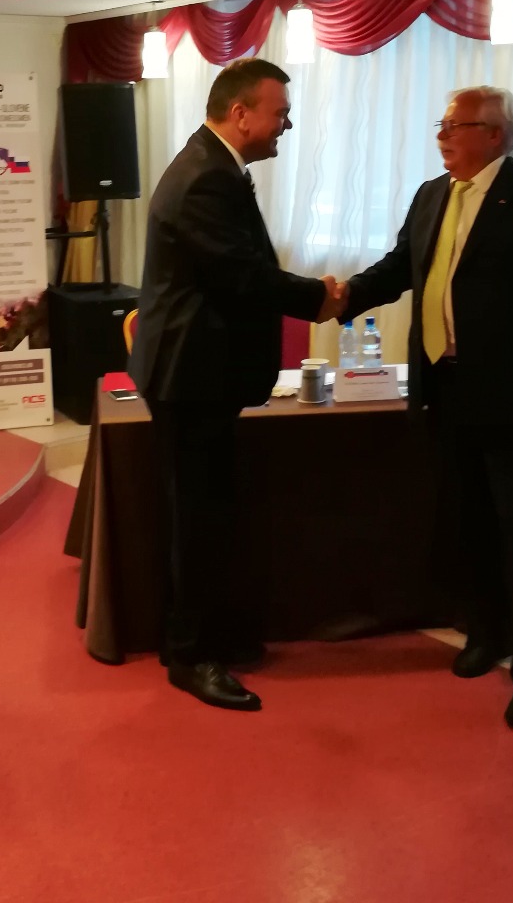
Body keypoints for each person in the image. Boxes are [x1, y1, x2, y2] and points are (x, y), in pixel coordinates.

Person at [339, 86, 513, 730]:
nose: (442, 136)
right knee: (471, 523)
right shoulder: (433, 195)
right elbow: (399, 268)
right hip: (446, 388)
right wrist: (337, 299)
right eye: (442, 125)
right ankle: (487, 633)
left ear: (494, 134)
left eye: (454, 126)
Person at [129, 59, 347, 712]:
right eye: (281, 114)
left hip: (200, 372)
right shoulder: (205, 178)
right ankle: (190, 654)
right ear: (241, 113)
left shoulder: (214, 166)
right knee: (197, 517)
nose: (287, 126)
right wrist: (318, 298)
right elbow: (241, 274)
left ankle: (206, 636)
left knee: (209, 510)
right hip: (190, 375)